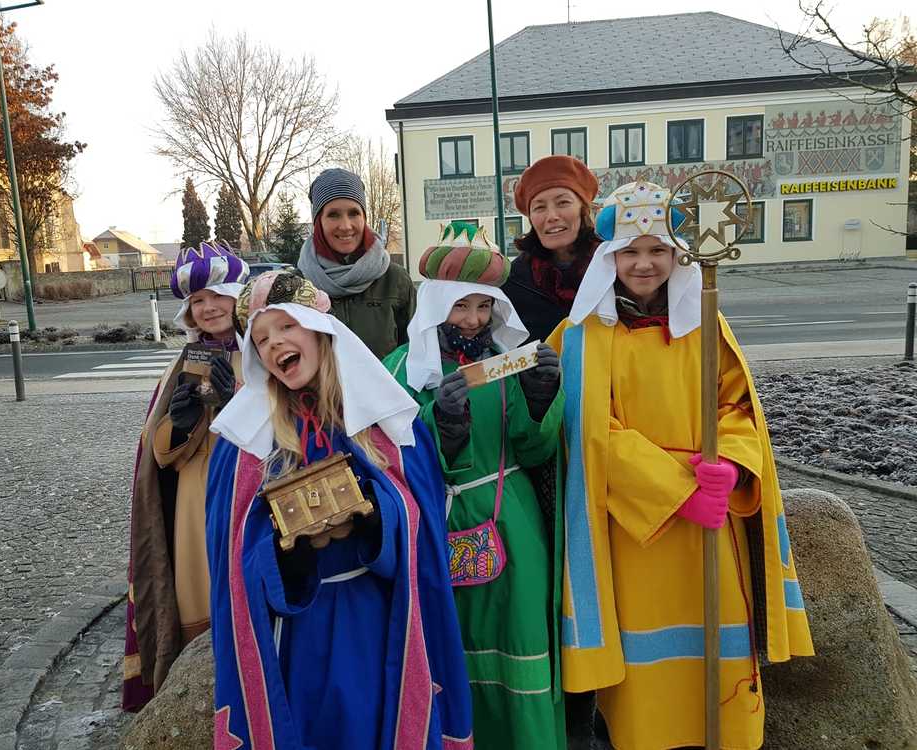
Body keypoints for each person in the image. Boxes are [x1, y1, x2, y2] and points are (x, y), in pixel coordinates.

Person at [549, 181, 814, 749]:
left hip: (711, 523)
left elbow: (736, 405)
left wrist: (733, 466)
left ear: (678, 256)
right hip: (634, 531)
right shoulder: (580, 336)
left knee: (717, 655)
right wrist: (676, 490)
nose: (644, 264)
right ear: (609, 257)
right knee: (647, 675)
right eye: (630, 251)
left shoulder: (705, 322)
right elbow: (589, 431)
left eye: (658, 250)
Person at [206, 269, 474, 750]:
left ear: (319, 329)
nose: (274, 343)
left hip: (377, 622)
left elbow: (425, 519)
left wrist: (373, 517)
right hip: (297, 634)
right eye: (261, 338)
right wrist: (288, 555)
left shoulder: (383, 421)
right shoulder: (244, 445)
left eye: (286, 326)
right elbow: (230, 558)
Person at [383, 222, 566, 750]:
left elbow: (535, 451)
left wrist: (541, 401)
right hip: (436, 525)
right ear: (435, 306)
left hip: (514, 523)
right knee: (449, 644)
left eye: (484, 307)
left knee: (520, 640)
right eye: (460, 306)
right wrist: (442, 425)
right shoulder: (400, 370)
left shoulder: (510, 363)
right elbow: (391, 459)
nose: (473, 319)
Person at [122, 241, 248, 711]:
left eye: (216, 296)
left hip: (251, 491)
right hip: (196, 501)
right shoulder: (180, 367)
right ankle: (201, 701)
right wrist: (181, 419)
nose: (208, 307)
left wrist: (235, 401)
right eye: (198, 301)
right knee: (202, 599)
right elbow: (159, 457)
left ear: (237, 298)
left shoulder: (267, 353)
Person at [297, 167, 416, 358]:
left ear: (364, 218)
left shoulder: (395, 280)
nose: (345, 226)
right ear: (318, 222)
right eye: (333, 215)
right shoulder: (298, 286)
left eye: (354, 213)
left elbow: (415, 355)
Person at [502, 154, 603, 344]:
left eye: (563, 203)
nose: (552, 216)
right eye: (539, 207)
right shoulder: (513, 281)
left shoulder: (612, 266)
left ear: (583, 209)